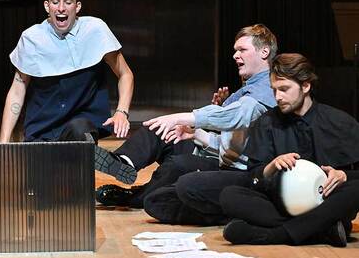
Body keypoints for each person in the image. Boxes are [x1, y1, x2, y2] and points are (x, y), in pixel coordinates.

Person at [96, 24, 277, 225]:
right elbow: (231, 139)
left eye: (242, 50)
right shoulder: (249, 87)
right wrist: (194, 133)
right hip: (220, 155)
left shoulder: (268, 87)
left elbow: (237, 118)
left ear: (264, 52)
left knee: (177, 166)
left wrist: (184, 117)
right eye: (235, 50)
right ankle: (123, 163)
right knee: (160, 130)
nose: (235, 55)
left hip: (234, 169)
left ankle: (135, 196)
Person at [220, 53, 359, 247]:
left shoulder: (340, 122)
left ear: (306, 86)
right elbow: (253, 178)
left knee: (356, 188)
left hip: (328, 201)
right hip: (283, 204)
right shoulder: (266, 122)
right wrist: (271, 166)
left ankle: (276, 235)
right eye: (274, 90)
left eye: (284, 89)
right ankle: (321, 230)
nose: (277, 97)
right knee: (230, 195)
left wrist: (344, 175)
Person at [0, 0, 135, 151]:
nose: (61, 8)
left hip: (81, 124)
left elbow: (125, 74)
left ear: (77, 7)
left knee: (80, 132)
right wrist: (3, 143)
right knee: (42, 175)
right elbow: (18, 89)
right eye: (55, 2)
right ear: (47, 6)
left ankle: (91, 158)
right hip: (42, 127)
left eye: (67, 2)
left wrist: (122, 112)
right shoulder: (32, 38)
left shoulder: (95, 30)